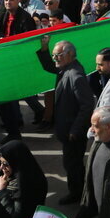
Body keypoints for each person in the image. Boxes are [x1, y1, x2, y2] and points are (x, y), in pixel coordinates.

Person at [37, 35, 95, 203]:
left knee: (73, 164)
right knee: (70, 163)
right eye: (54, 55)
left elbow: (86, 106)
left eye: (58, 55)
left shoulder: (75, 76)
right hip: (67, 129)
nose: (55, 58)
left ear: (69, 55)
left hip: (72, 132)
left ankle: (77, 194)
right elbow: (49, 65)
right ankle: (77, 190)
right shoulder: (65, 68)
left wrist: (76, 129)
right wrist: (44, 48)